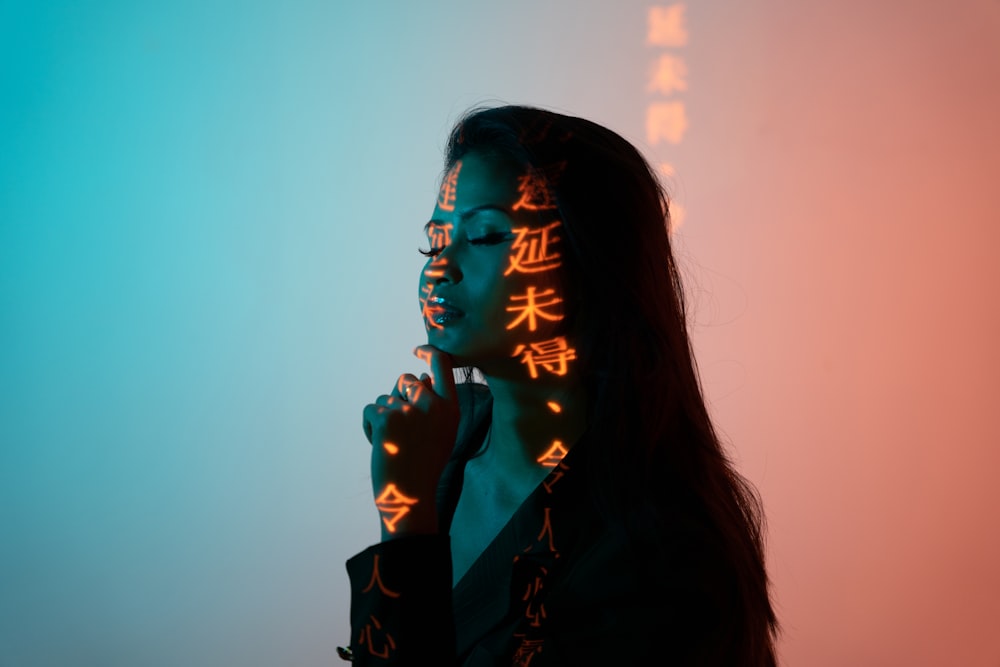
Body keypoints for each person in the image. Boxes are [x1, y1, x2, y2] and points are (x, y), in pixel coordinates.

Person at [340, 105, 778, 665]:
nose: (438, 269)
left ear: (589, 266)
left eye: (484, 236)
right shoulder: (446, 435)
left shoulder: (658, 550)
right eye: (434, 242)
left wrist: (404, 517)